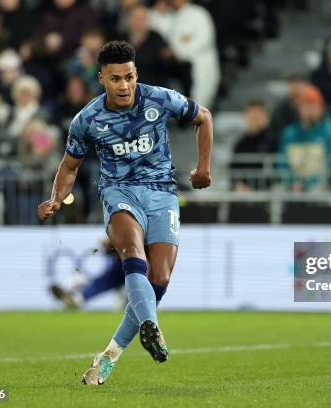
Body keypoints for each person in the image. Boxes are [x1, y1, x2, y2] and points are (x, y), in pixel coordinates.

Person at [36, 41, 213, 384]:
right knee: (132, 254)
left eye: (129, 77)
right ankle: (152, 326)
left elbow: (202, 117)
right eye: (115, 79)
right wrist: (56, 198)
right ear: (101, 78)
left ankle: (110, 354)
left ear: (136, 74)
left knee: (159, 278)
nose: (124, 86)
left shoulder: (160, 98)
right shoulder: (87, 119)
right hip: (119, 192)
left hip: (162, 192)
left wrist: (203, 168)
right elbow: (70, 167)